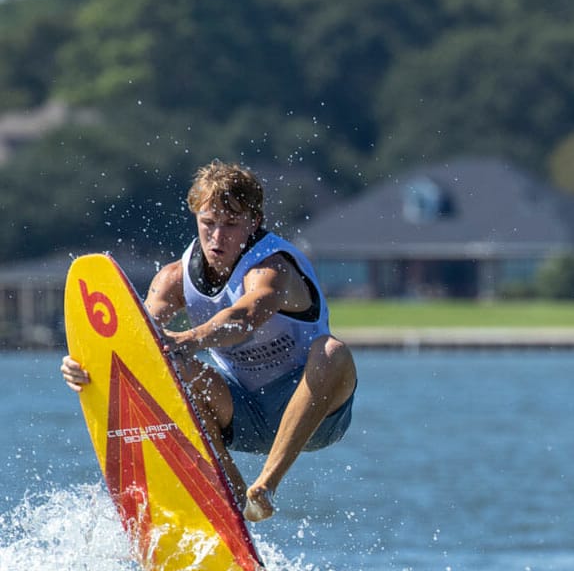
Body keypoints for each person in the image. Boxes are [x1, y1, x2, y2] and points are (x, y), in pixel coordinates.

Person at [62, 160, 357, 522]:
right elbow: (131, 340)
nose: (217, 237)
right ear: (195, 217)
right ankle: (229, 501)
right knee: (173, 366)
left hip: (317, 414)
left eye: (231, 225)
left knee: (331, 351)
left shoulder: (272, 268)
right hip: (241, 410)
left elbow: (246, 316)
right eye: (208, 223)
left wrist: (190, 337)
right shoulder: (173, 277)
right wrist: (84, 366)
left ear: (254, 220)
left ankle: (265, 486)